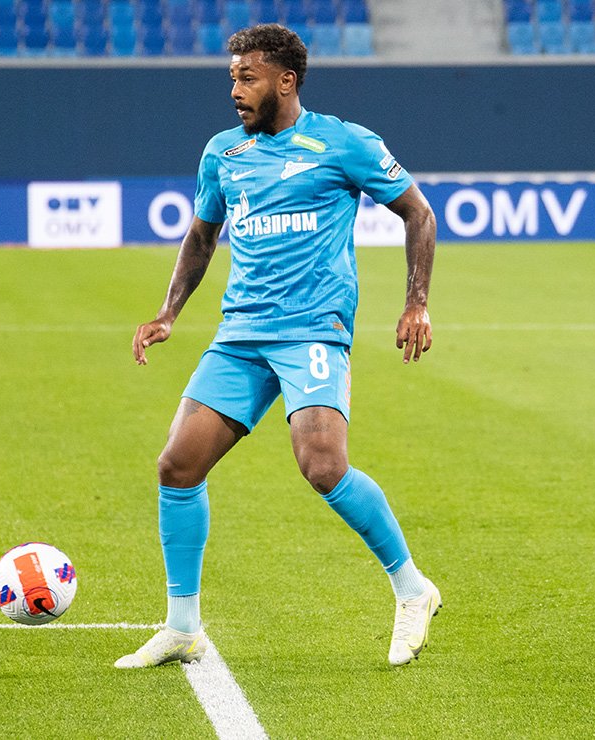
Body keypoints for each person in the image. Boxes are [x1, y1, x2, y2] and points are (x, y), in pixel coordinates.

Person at [116, 23, 440, 669]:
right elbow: (202, 236)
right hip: (241, 334)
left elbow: (418, 212)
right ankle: (182, 626)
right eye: (232, 77)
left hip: (313, 328)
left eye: (248, 77)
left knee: (322, 465)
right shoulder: (223, 152)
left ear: (286, 81)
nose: (235, 90)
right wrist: (169, 313)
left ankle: (413, 589)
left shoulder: (343, 142)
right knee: (177, 467)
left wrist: (416, 302)